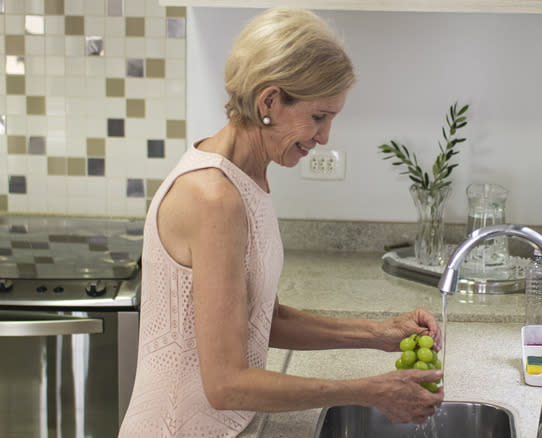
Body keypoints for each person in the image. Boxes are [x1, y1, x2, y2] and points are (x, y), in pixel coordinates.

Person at [118, 8, 444, 438]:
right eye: (319, 116)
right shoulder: (213, 198)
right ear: (269, 101)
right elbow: (226, 384)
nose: (325, 136)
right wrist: (370, 391)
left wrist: (379, 333)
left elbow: (259, 320)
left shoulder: (247, 177)